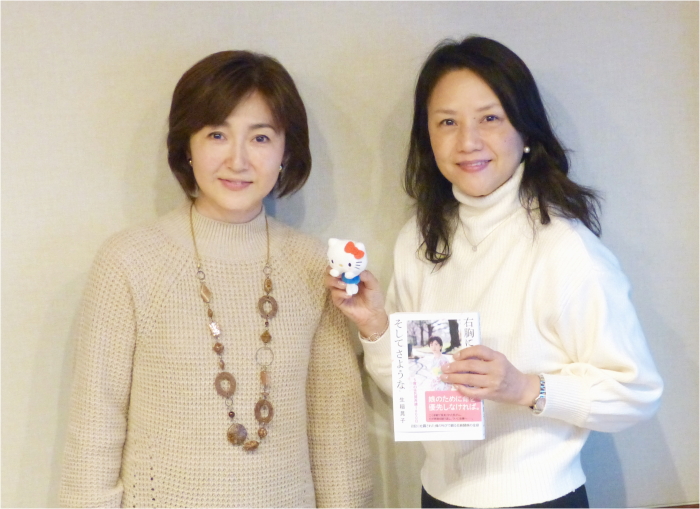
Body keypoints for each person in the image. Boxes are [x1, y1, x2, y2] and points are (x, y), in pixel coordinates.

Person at [326, 36, 663, 508]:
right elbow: (411, 390)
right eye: (447, 122)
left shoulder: (566, 249)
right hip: (438, 495)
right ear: (427, 137)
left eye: (490, 118)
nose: (467, 142)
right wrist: (376, 326)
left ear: (526, 132)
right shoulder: (419, 239)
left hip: (541, 499)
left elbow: (636, 393)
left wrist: (524, 387)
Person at [59, 50, 372, 508]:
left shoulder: (314, 266)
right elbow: (95, 426)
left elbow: (336, 428)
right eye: (217, 135)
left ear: (286, 151)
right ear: (187, 147)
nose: (237, 160)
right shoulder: (129, 260)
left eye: (260, 137)